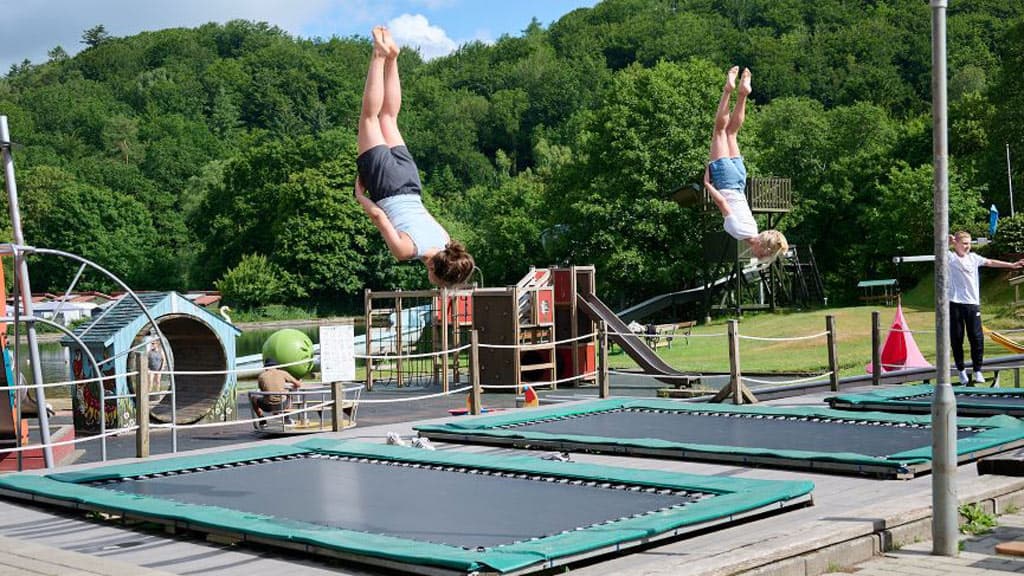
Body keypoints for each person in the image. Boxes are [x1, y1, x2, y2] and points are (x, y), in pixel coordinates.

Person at [354, 26, 475, 287]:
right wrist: (361, 197)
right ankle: (379, 54)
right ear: (434, 272)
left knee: (389, 118)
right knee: (369, 118)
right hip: (386, 187)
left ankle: (392, 57)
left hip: (410, 183)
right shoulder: (405, 251)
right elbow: (379, 217)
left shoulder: (445, 240)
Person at [703, 66, 788, 262]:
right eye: (762, 255)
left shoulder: (753, 228)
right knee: (719, 131)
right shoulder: (739, 232)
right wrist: (707, 184)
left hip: (740, 178)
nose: (757, 256)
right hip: (725, 181)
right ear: (761, 247)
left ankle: (743, 93)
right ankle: (728, 89)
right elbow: (723, 203)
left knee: (732, 133)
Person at [947, 230, 1024, 384]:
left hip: (972, 303)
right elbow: (939, 250)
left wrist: (1012, 265)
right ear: (956, 244)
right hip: (955, 303)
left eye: (969, 243)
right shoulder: (950, 257)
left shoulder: (973, 258)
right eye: (964, 243)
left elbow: (990, 262)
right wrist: (947, 242)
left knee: (976, 337)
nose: (967, 246)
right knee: (957, 337)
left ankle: (977, 370)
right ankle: (961, 370)